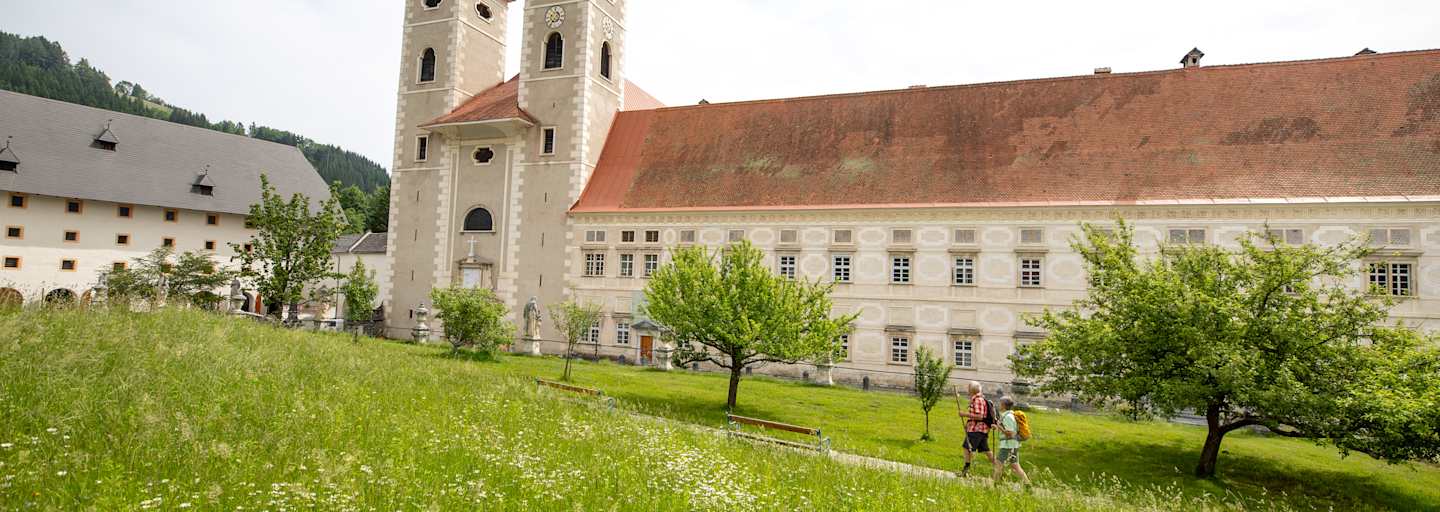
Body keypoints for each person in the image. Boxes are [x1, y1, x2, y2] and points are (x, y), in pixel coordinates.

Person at [957, 381, 995, 477]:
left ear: (972, 390)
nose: (967, 390)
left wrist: (964, 414)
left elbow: (980, 416)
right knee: (986, 450)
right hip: (981, 429)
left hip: (977, 430)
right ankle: (999, 468)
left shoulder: (978, 400)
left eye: (968, 388)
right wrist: (969, 422)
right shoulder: (979, 399)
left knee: (967, 447)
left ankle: (966, 470)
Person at [994, 396, 1031, 485]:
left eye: (1000, 403)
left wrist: (1000, 427)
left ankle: (995, 484)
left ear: (1003, 405)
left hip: (1008, 446)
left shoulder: (1008, 417)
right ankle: (1027, 484)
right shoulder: (1009, 415)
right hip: (1012, 445)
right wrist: (997, 427)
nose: (999, 405)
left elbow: (1010, 433)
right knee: (1015, 465)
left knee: (999, 463)